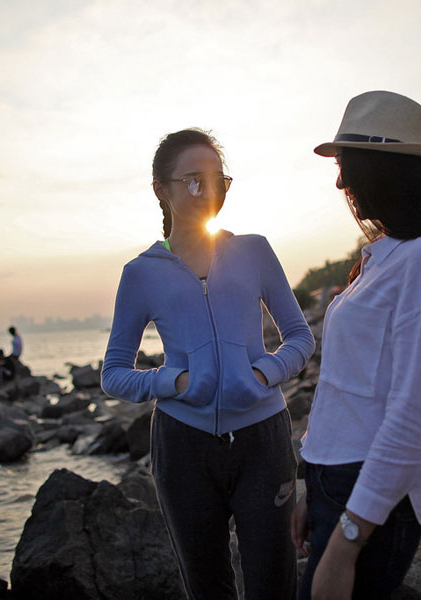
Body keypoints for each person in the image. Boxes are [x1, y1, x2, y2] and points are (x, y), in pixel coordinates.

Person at [101, 128, 315, 600]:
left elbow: (299, 336)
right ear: (162, 189)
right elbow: (113, 372)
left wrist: (264, 373)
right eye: (194, 180)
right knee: (206, 586)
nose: (208, 192)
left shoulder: (254, 250)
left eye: (218, 181)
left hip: (263, 438)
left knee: (274, 582)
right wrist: (173, 381)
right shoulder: (140, 274)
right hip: (183, 447)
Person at [291, 91, 421, 600]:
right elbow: (341, 386)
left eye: (347, 165)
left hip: (370, 493)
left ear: (381, 167)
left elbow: (416, 412)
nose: (340, 182)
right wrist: (313, 480)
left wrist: (347, 542)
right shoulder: (382, 259)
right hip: (337, 482)